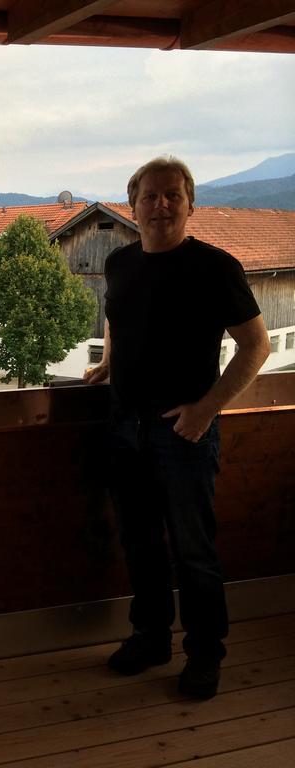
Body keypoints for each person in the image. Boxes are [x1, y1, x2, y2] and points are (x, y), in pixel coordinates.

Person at [83, 156, 269, 700]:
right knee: (140, 542)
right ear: (132, 205)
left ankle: (205, 654)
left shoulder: (215, 267)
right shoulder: (120, 264)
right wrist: (110, 363)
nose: (160, 205)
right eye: (150, 196)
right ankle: (151, 638)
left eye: (172, 195)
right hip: (125, 429)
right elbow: (119, 319)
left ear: (191, 204)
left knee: (193, 550)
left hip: (184, 433)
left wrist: (206, 409)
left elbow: (255, 346)